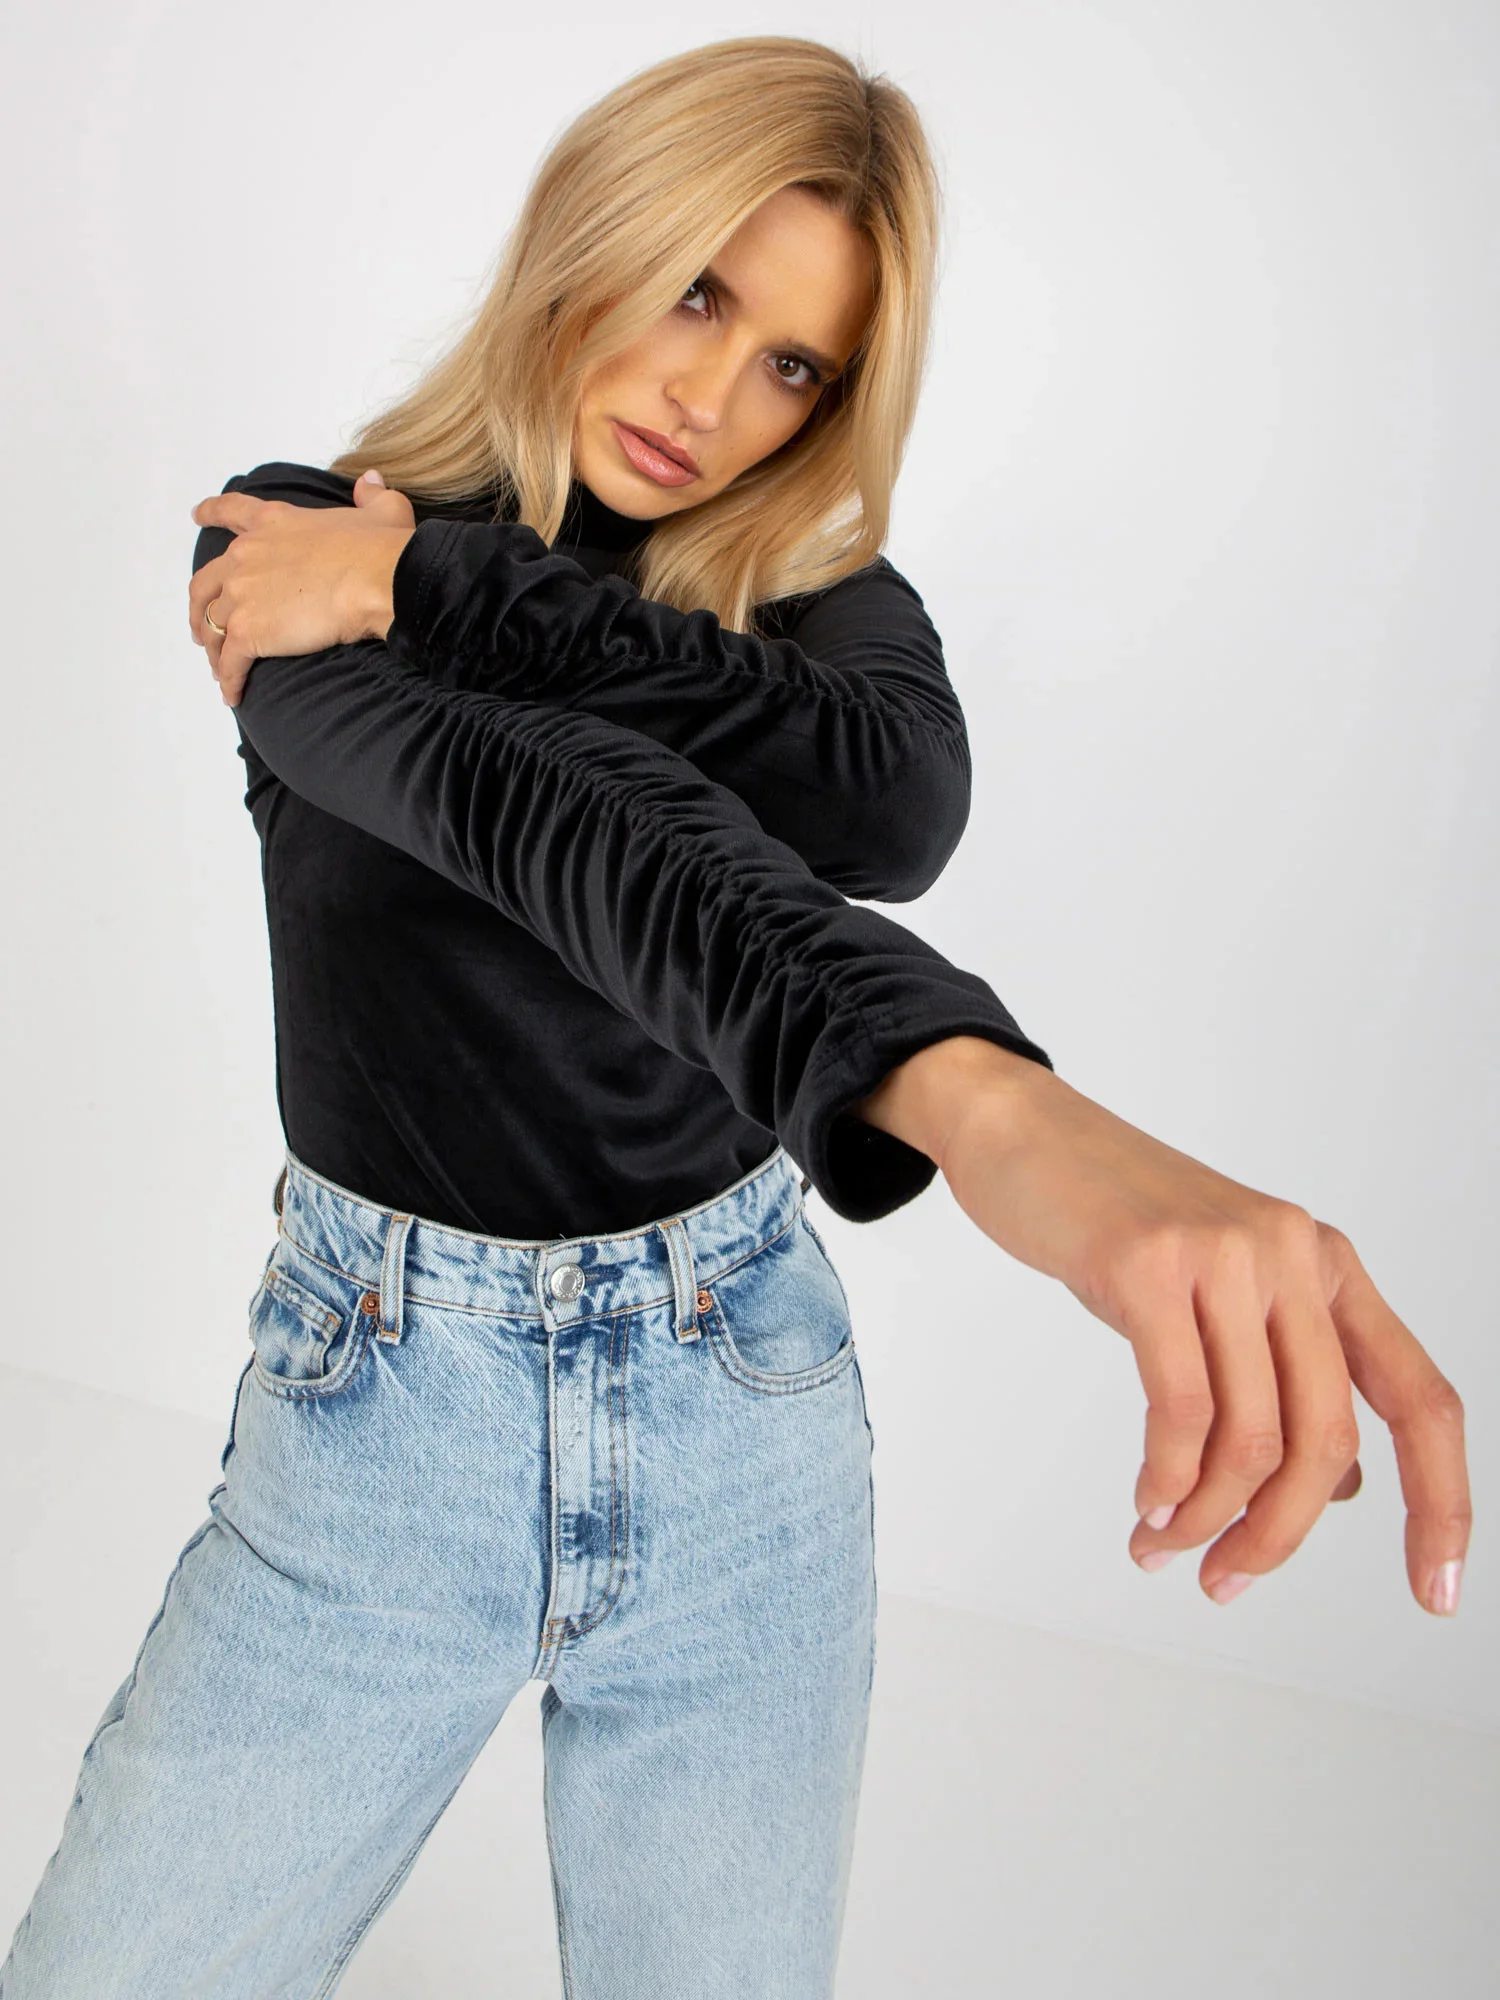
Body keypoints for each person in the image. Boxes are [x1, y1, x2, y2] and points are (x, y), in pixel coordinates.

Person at [3, 33, 1469, 2000]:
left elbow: (898, 806)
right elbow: (563, 819)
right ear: (591, 231)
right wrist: (979, 1103)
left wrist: (442, 587)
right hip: (382, 1418)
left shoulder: (800, 593)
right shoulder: (288, 529)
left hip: (737, 1406)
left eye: (795, 365)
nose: (715, 398)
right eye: (699, 291)